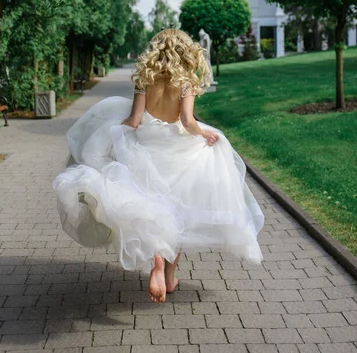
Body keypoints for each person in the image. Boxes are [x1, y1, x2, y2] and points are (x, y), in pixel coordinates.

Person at [53, 28, 265, 304]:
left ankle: (156, 264)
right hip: (177, 151)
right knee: (178, 213)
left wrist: (110, 135)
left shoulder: (145, 77)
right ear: (185, 50)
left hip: (145, 147)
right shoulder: (186, 80)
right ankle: (169, 276)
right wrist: (205, 134)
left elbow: (134, 120)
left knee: (153, 207)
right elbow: (188, 122)